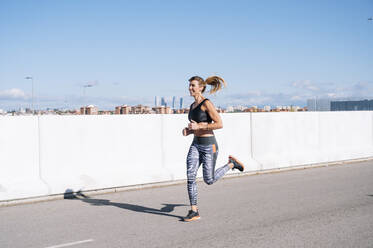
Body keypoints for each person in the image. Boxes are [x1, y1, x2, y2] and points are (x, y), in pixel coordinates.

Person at [182, 75, 245, 222]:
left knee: (208, 180)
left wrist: (200, 126)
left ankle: (232, 164)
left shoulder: (206, 103)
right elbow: (196, 126)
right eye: (189, 85)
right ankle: (194, 211)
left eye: (193, 85)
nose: (190, 88)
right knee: (190, 176)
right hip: (196, 144)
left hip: (209, 146)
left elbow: (219, 124)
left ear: (201, 87)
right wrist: (189, 130)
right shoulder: (192, 106)